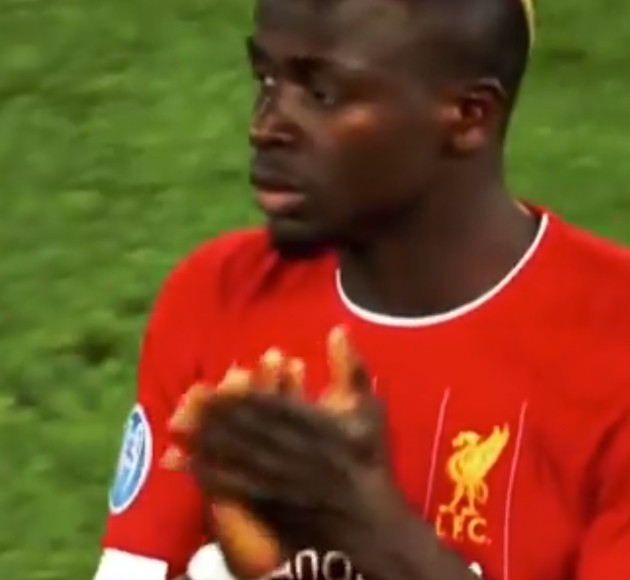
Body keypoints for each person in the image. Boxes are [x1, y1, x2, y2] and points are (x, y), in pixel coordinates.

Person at [94, 0, 630, 578]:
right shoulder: (218, 292)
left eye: (321, 94)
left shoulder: (613, 346)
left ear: (468, 116)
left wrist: (356, 519)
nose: (265, 125)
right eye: (266, 79)